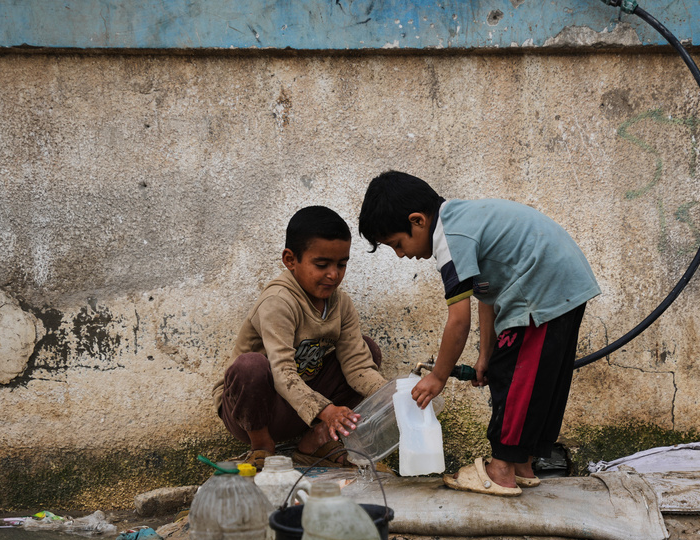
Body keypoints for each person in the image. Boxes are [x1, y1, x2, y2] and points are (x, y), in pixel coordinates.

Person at [358, 171, 601, 496]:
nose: (401, 254)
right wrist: (485, 356)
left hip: (541, 287)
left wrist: (438, 377)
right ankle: (522, 464)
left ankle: (500, 470)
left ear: (417, 221)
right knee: (536, 380)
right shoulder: (465, 222)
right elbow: (487, 298)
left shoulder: (450, 238)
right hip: (559, 284)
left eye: (397, 244)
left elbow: (458, 321)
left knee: (515, 380)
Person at [213, 205, 389, 469]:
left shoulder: (341, 304)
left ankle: (313, 442)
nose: (334, 274)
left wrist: (392, 397)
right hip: (254, 411)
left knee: (368, 351)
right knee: (250, 366)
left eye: (342, 264)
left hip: (301, 408)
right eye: (322, 264)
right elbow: (282, 372)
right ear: (290, 260)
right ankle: (262, 448)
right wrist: (326, 411)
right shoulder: (278, 302)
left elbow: (358, 366)